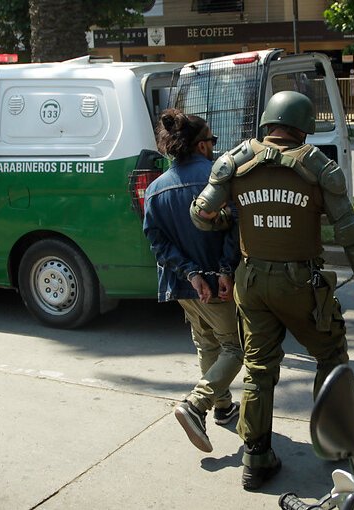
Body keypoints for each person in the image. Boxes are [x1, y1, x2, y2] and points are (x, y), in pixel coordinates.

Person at [189, 91, 354, 491]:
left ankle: (255, 458)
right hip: (300, 284)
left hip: (252, 281)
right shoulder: (317, 166)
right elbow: (347, 228)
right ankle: (337, 445)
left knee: (259, 368)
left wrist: (226, 220)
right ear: (304, 126)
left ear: (268, 122)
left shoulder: (236, 161)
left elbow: (202, 214)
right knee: (330, 355)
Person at [142, 109, 243, 453]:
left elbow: (157, 243)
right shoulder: (218, 182)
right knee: (234, 348)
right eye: (212, 140)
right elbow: (234, 229)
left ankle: (225, 407)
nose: (215, 147)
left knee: (206, 344)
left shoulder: (155, 190)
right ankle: (196, 404)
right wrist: (225, 270)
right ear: (201, 146)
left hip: (184, 285)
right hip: (218, 284)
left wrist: (189, 272)